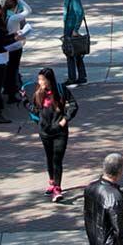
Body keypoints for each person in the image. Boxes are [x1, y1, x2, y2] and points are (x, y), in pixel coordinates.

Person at [21, 67, 78, 202]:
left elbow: (74, 105)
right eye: (39, 79)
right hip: (45, 132)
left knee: (57, 160)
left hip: (60, 132)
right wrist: (25, 102)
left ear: (48, 80)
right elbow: (36, 111)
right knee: (49, 157)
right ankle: (52, 182)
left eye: (42, 79)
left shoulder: (60, 90)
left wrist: (64, 120)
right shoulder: (38, 93)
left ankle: (57, 188)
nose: (39, 82)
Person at [2, 0, 32, 102]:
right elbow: (28, 10)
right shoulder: (13, 17)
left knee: (9, 69)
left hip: (7, 45)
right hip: (14, 45)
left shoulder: (5, 15)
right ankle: (12, 93)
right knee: (13, 69)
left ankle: (9, 90)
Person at [58, 0, 87, 86]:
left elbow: (79, 11)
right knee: (76, 52)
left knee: (70, 52)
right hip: (68, 25)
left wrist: (76, 29)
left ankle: (73, 77)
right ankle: (81, 76)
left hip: (71, 27)